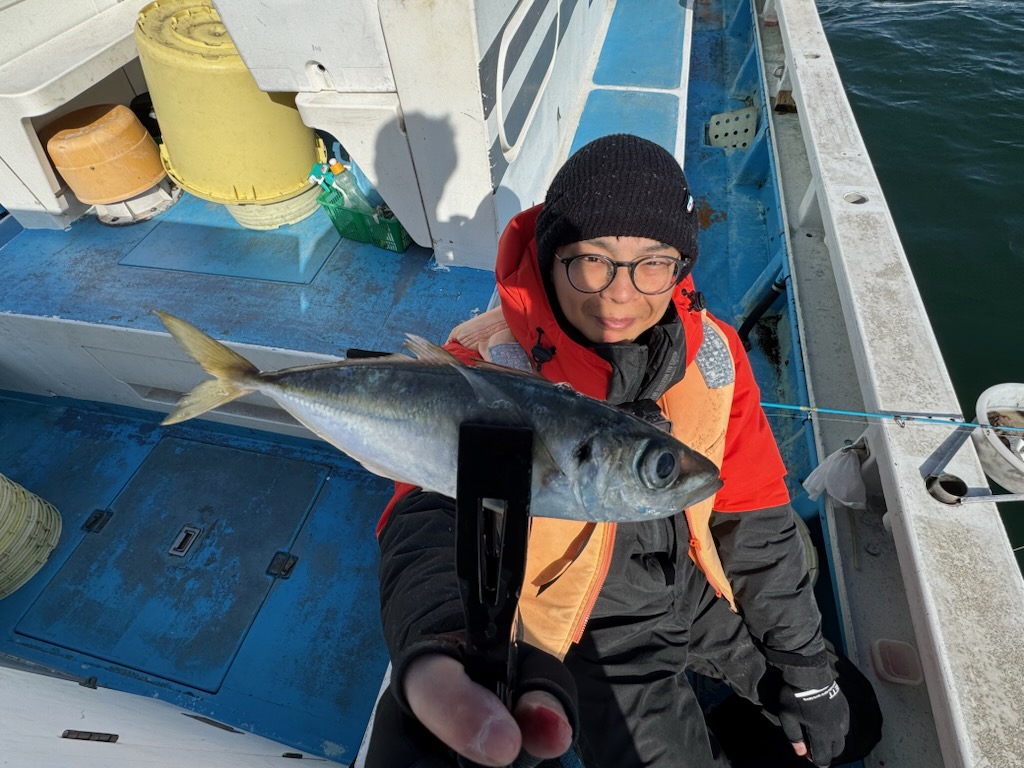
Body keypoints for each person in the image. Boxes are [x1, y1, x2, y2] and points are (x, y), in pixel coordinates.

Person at [365, 134, 859, 768]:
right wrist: (440, 635)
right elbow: (426, 519)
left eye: (653, 262)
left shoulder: (714, 354)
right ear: (551, 258)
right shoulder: (484, 370)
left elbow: (754, 513)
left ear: (680, 266)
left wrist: (804, 664)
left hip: (695, 587)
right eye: (592, 260)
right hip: (590, 633)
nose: (621, 293)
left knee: (855, 725)